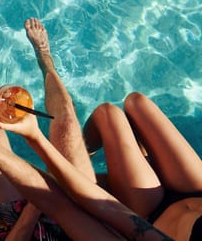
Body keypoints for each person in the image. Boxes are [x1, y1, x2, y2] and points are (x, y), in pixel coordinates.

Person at [0, 19, 172, 240]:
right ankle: (46, 61)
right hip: (86, 226)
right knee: (65, 120)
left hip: (15, 230)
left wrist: (36, 204)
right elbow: (115, 218)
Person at [83, 92, 202, 241]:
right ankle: (143, 161)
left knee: (107, 114)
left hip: (153, 216)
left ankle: (79, 157)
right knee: (136, 102)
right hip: (196, 190)